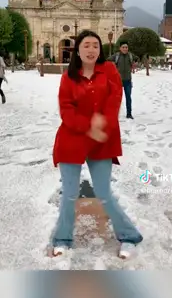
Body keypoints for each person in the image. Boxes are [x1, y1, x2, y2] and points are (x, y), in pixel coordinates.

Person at [51, 30, 143, 260]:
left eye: (95, 45)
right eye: (86, 45)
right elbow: (66, 109)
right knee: (69, 194)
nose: (91, 50)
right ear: (78, 51)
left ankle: (129, 235)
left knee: (103, 192)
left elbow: (115, 99)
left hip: (102, 139)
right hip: (72, 139)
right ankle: (62, 238)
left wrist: (103, 126)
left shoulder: (109, 70)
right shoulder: (68, 76)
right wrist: (87, 126)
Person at [111, 41, 137, 119]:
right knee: (116, 98)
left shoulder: (130, 55)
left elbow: (137, 58)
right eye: (123, 47)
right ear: (120, 48)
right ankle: (114, 114)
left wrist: (135, 63)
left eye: (126, 47)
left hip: (128, 81)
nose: (125, 49)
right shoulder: (116, 56)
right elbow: (107, 60)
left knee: (128, 98)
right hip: (118, 81)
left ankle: (129, 114)